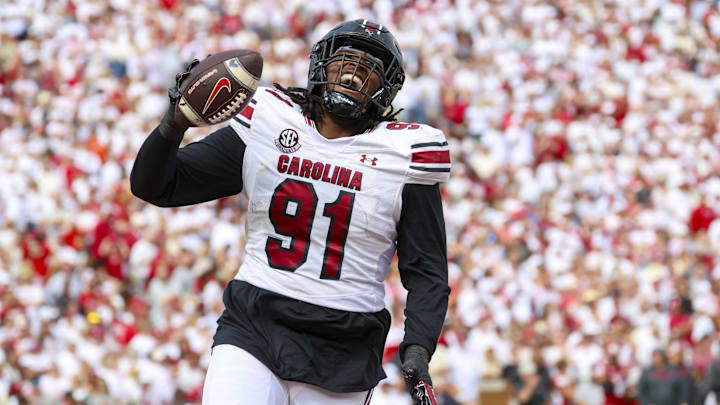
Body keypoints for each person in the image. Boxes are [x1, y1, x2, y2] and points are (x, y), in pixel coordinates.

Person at [130, 19, 450, 405]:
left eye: (366, 73)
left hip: (344, 345)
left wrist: (417, 349)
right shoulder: (269, 119)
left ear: (386, 90)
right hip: (257, 323)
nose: (351, 78)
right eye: (344, 64)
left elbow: (427, 270)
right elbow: (156, 185)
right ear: (319, 66)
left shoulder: (404, 155)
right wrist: (173, 124)